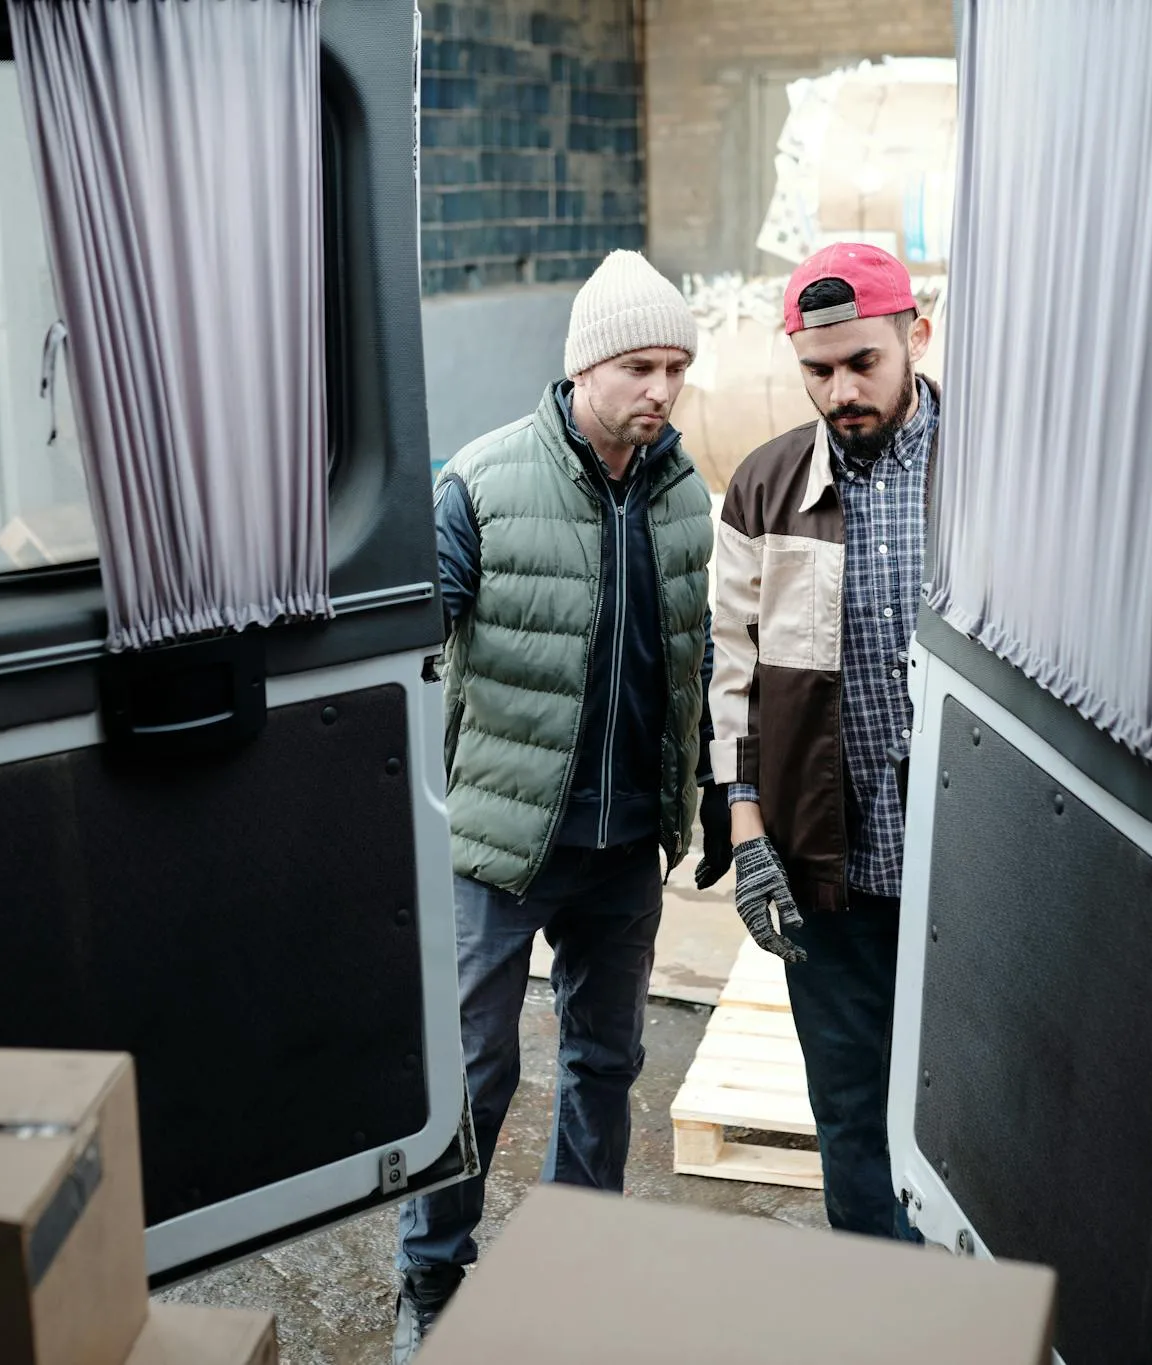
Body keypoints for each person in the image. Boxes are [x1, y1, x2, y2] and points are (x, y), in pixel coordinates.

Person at [394, 250, 715, 1361]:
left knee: (604, 1064)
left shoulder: (687, 500)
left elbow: (696, 663)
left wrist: (706, 798)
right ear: (583, 366)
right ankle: (431, 1275)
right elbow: (410, 648)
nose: (661, 390)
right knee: (475, 1068)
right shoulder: (481, 484)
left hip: (623, 852)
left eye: (675, 368)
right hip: (500, 842)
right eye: (639, 367)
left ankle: (576, 1267)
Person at [699, 241, 937, 1241]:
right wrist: (748, 834)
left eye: (862, 363)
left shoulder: (991, 476)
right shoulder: (764, 488)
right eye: (818, 369)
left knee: (982, 1116)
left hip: (968, 868)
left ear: (916, 336)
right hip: (829, 869)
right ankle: (875, 1303)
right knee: (848, 1106)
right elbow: (733, 679)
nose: (841, 391)